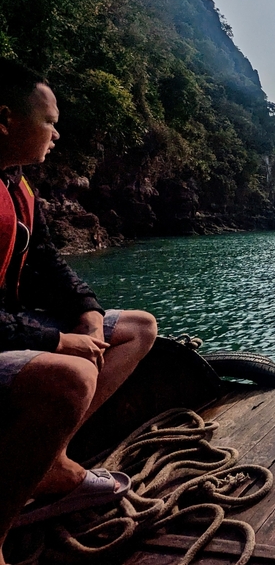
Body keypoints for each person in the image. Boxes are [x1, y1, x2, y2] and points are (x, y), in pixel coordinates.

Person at [0, 59, 157, 561]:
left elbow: (46, 261)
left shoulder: (17, 185)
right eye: (49, 121)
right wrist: (57, 341)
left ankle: (47, 461)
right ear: (6, 119)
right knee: (72, 376)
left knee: (136, 329)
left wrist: (87, 313)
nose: (56, 134)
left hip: (9, 328)